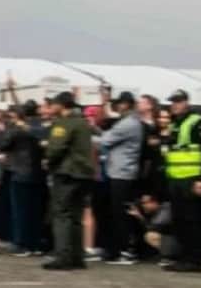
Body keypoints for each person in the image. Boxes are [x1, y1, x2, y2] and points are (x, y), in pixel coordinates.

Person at [162, 89, 201, 273]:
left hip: (191, 178)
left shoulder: (197, 121)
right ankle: (183, 257)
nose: (174, 105)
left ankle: (194, 259)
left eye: (178, 101)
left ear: (186, 102)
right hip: (176, 178)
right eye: (172, 102)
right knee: (179, 221)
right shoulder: (174, 123)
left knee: (192, 220)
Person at [43, 91, 94, 271]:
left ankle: (63, 256)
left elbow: (56, 148)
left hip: (67, 173)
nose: (51, 107)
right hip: (84, 174)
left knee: (62, 214)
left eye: (53, 104)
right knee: (76, 216)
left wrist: (47, 158)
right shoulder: (82, 122)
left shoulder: (63, 123)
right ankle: (77, 257)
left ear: (61, 105)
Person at [94, 91, 143, 265]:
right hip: (120, 172)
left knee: (120, 214)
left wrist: (88, 135)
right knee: (116, 213)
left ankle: (126, 250)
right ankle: (117, 249)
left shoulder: (129, 123)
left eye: (120, 103)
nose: (118, 106)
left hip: (123, 174)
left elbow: (105, 140)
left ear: (127, 104)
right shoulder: (128, 122)